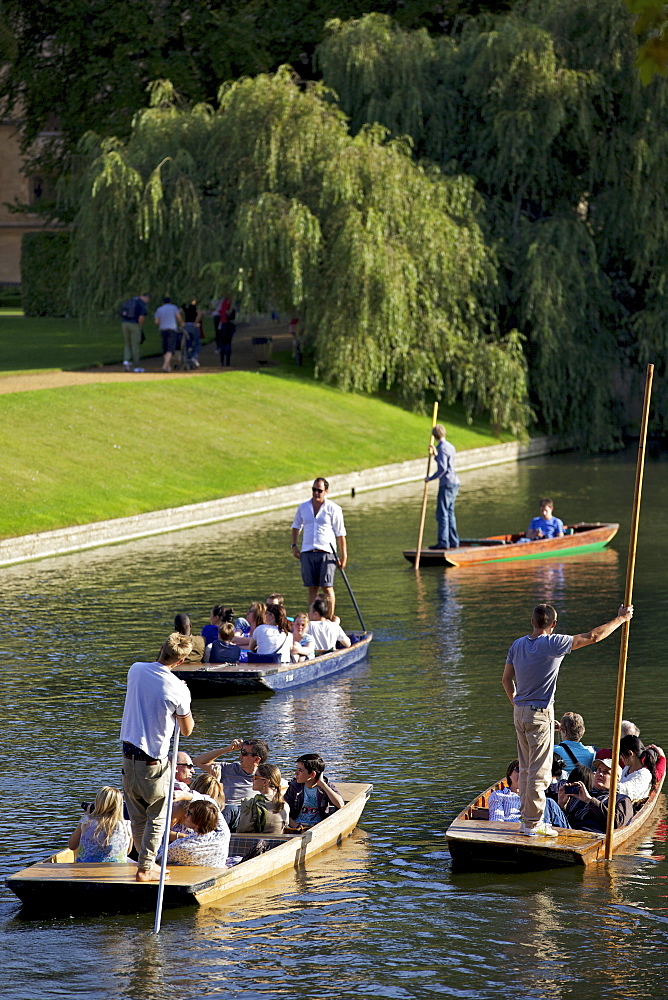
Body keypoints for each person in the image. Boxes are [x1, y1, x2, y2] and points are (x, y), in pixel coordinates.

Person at [501, 602, 633, 838]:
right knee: (539, 772)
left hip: (520, 712)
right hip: (538, 711)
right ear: (553, 625)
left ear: (532, 622)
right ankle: (533, 823)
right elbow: (592, 636)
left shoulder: (517, 644)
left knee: (527, 766)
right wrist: (621, 619)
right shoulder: (554, 643)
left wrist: (518, 705)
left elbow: (506, 681)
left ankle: (526, 819)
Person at [119, 632, 195, 881]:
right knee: (157, 817)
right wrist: (185, 698)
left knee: (138, 816)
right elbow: (187, 730)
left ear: (161, 648)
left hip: (128, 758)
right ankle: (145, 869)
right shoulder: (178, 690)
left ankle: (146, 863)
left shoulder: (135, 669)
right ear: (181, 662)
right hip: (153, 762)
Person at [292, 477, 347, 616]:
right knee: (312, 588)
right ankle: (311, 618)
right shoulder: (303, 507)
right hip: (307, 551)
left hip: (327, 552)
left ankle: (329, 618)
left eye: (319, 490)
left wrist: (344, 556)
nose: (316, 493)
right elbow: (296, 526)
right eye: (314, 490)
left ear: (326, 491)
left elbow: (340, 534)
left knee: (327, 587)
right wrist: (294, 545)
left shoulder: (334, 509)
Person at [193, 738, 270, 830]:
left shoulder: (263, 776)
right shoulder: (228, 769)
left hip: (245, 816)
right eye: (241, 751)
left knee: (233, 809)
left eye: (244, 753)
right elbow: (198, 761)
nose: (239, 756)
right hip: (222, 812)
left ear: (257, 759)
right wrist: (228, 749)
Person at [557, 758, 634, 833]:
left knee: (550, 803)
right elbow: (567, 819)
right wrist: (561, 805)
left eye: (606, 772)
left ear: (616, 779)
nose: (600, 774)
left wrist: (590, 800)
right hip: (569, 831)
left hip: (593, 836)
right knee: (550, 804)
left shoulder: (622, 799)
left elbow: (617, 823)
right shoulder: (582, 793)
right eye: (599, 770)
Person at [488, 759, 569, 828]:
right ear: (509, 774)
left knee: (549, 802)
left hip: (537, 827)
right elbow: (497, 821)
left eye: (527, 771)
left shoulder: (536, 795)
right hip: (513, 829)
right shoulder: (499, 795)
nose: (523, 774)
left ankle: (568, 836)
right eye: (518, 769)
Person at [68, 786, 132, 862]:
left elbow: (72, 846)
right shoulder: (126, 825)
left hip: (86, 869)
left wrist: (84, 818)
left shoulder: (87, 822)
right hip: (116, 871)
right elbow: (127, 851)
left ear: (97, 803)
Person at [425, 424, 460, 550]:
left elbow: (443, 468)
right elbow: (445, 462)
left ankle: (443, 542)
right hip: (454, 482)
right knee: (450, 513)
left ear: (434, 436)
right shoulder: (450, 446)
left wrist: (430, 478)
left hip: (447, 484)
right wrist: (435, 454)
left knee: (442, 514)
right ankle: (453, 541)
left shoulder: (442, 448)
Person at [285, 753, 344, 829]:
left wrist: (323, 785)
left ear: (312, 774)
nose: (296, 773)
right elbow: (283, 811)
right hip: (296, 826)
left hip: (319, 827)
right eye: (297, 769)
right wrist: (297, 827)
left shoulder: (326, 786)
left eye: (300, 770)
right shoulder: (293, 787)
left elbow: (340, 805)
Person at [166, 800, 230, 867]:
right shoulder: (223, 836)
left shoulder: (181, 846)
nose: (185, 815)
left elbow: (158, 857)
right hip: (215, 874)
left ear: (198, 819)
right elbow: (214, 806)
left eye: (189, 813)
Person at [237, 763, 290, 834]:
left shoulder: (250, 803)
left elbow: (242, 830)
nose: (252, 779)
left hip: (254, 842)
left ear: (265, 782)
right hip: (276, 841)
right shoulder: (284, 805)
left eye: (255, 777)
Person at [618, 735, 661, 802]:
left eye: (621, 754)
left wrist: (607, 785)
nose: (620, 757)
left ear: (630, 753)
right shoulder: (627, 768)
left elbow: (627, 791)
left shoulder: (644, 775)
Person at [120, 293, 149, 373]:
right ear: (145, 297)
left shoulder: (129, 301)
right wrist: (139, 327)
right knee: (135, 344)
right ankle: (137, 366)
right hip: (134, 324)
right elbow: (141, 317)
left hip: (124, 323)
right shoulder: (141, 304)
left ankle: (126, 361)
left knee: (127, 343)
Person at [154, 296, 183, 372]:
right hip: (171, 329)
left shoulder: (159, 309)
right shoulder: (173, 307)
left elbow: (156, 321)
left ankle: (167, 365)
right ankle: (165, 365)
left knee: (165, 346)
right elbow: (178, 316)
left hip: (163, 329)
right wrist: (182, 323)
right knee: (170, 347)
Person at [181, 297, 202, 368]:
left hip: (186, 325)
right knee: (196, 343)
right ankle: (194, 357)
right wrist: (196, 323)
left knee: (187, 342)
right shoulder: (196, 306)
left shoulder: (184, 306)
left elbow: (178, 312)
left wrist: (181, 322)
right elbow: (200, 313)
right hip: (193, 325)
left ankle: (187, 357)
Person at [215, 296, 236, 366]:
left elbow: (220, 312)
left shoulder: (224, 303)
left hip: (224, 324)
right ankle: (227, 362)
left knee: (223, 343)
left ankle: (222, 361)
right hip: (230, 325)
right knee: (228, 343)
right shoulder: (231, 305)